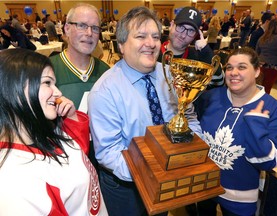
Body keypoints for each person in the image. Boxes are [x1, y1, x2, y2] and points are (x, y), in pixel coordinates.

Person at [88, 6, 201, 216]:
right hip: (126, 187)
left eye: (156, 36)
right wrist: (155, 172)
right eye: (140, 36)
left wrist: (192, 153)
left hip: (168, 179)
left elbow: (190, 117)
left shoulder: (172, 75)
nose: (151, 43)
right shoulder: (104, 91)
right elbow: (109, 152)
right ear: (121, 44)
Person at [0, 48, 108, 216]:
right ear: (15, 90)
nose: (58, 92)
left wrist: (71, 116)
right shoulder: (16, 183)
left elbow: (76, 154)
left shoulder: (42, 129)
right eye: (47, 83)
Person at [196, 47, 277, 216]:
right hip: (202, 186)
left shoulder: (273, 109)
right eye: (229, 67)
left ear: (257, 71)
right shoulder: (212, 96)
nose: (233, 72)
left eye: (242, 67)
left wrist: (256, 126)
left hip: (239, 200)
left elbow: (270, 162)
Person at [50, 3, 109, 109]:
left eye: (95, 28)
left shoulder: (106, 72)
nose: (89, 33)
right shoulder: (47, 69)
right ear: (67, 29)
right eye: (82, 26)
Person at [157, 6, 224, 89]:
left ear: (196, 35)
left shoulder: (197, 58)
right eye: (181, 27)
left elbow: (218, 83)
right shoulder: (154, 53)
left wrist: (206, 51)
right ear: (171, 25)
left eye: (191, 31)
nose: (183, 35)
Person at [256, 19, 277, 94]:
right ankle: (264, 104)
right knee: (267, 89)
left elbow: (257, 52)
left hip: (260, 66)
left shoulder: (262, 38)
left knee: (258, 88)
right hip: (272, 66)